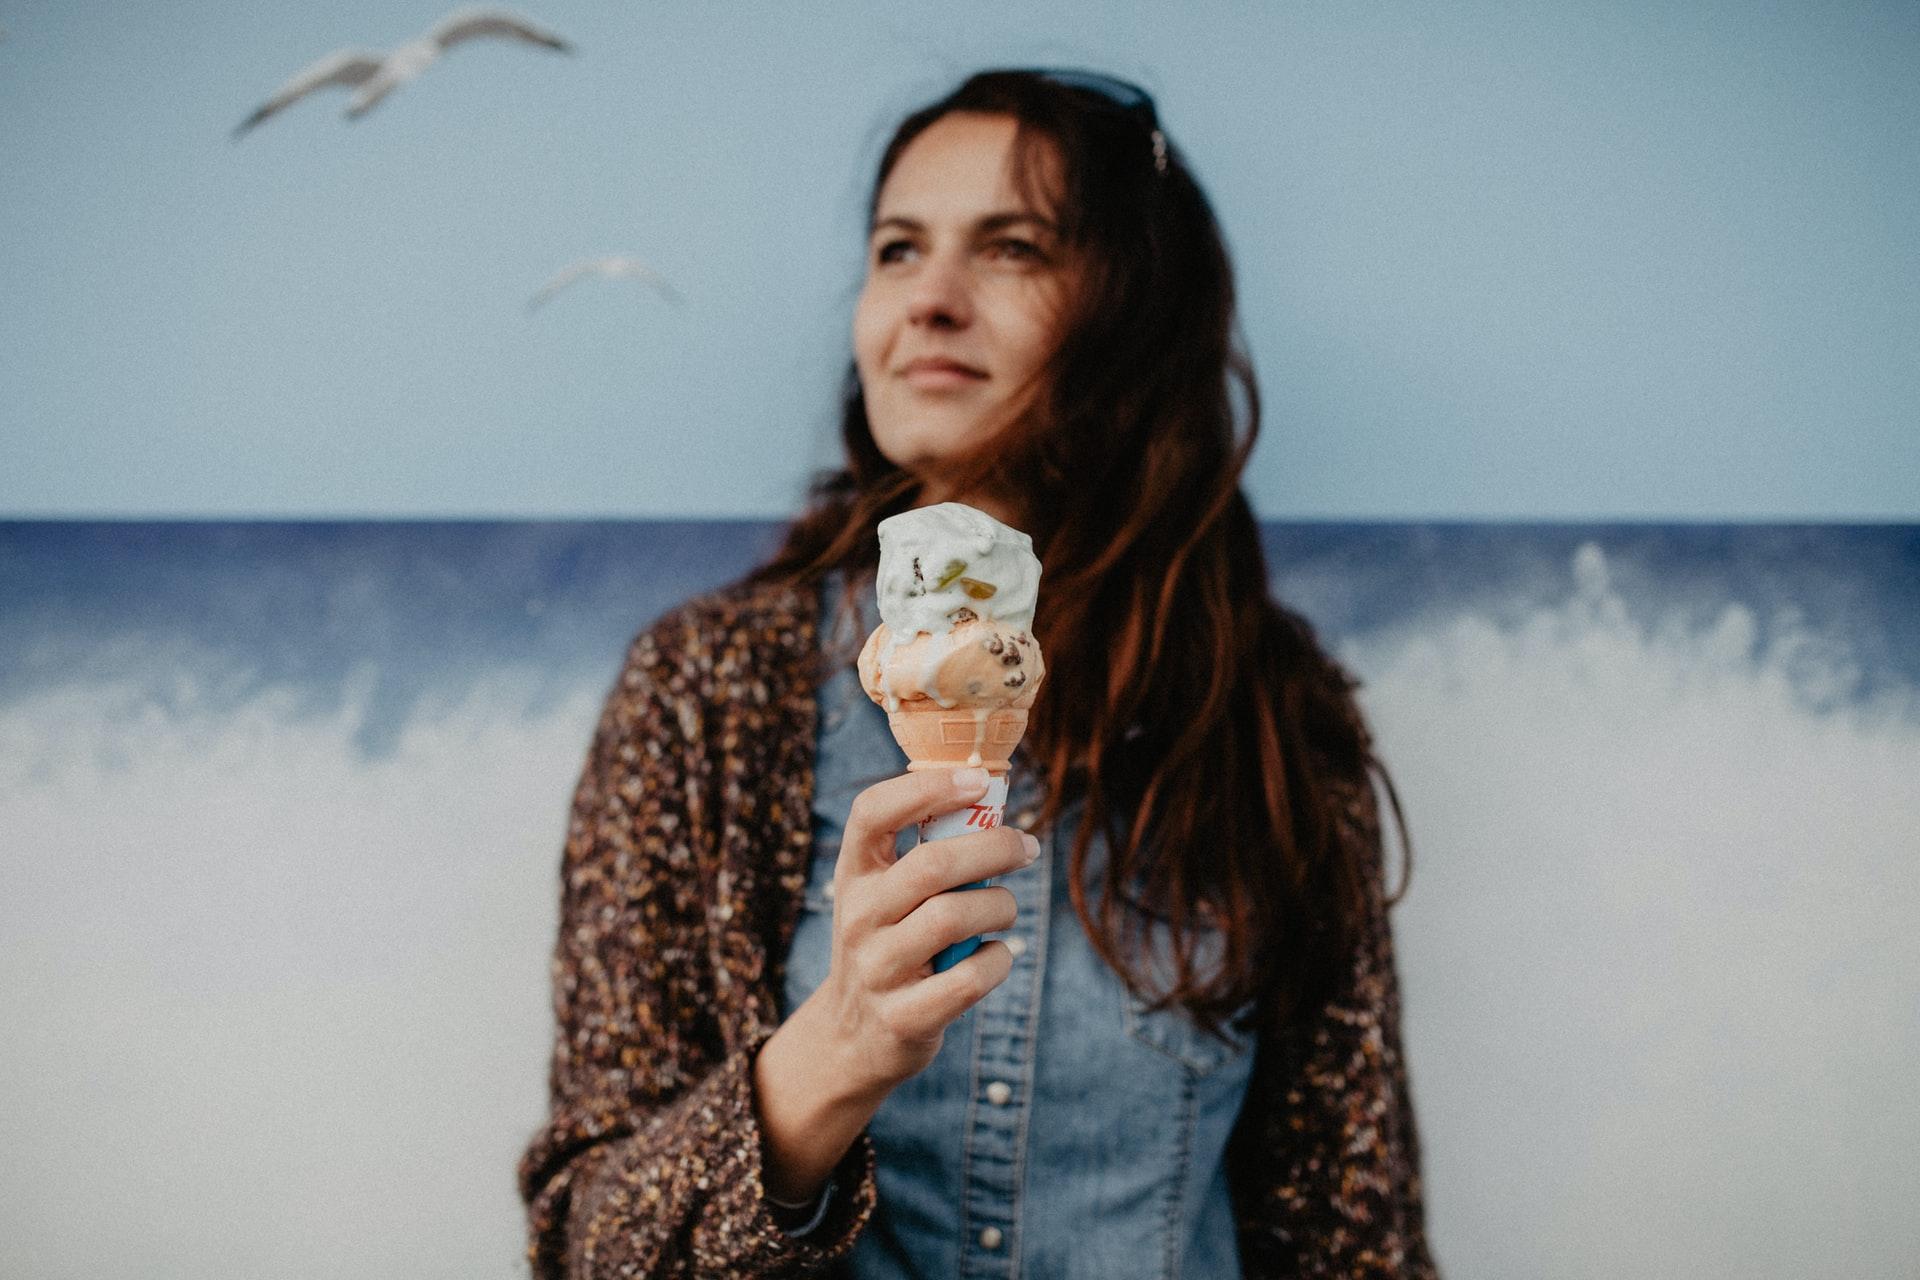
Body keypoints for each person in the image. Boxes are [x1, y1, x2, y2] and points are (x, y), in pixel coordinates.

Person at [518, 69, 1438, 1279]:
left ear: (1137, 311)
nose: (933, 301)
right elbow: (588, 1249)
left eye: (1013, 249)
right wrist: (830, 1053)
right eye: (898, 249)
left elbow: (1349, 1239)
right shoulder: (704, 692)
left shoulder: (1265, 708)